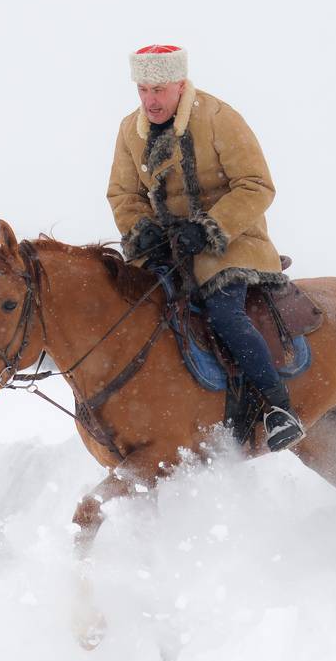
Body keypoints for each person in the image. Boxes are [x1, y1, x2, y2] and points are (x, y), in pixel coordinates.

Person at [106, 44, 306, 450]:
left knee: (223, 313)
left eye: (159, 90)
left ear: (180, 85)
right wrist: (141, 230)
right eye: (143, 90)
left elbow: (256, 185)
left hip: (230, 242)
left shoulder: (218, 117)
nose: (150, 100)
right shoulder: (129, 130)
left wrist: (208, 228)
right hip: (167, 248)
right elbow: (123, 194)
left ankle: (278, 408)